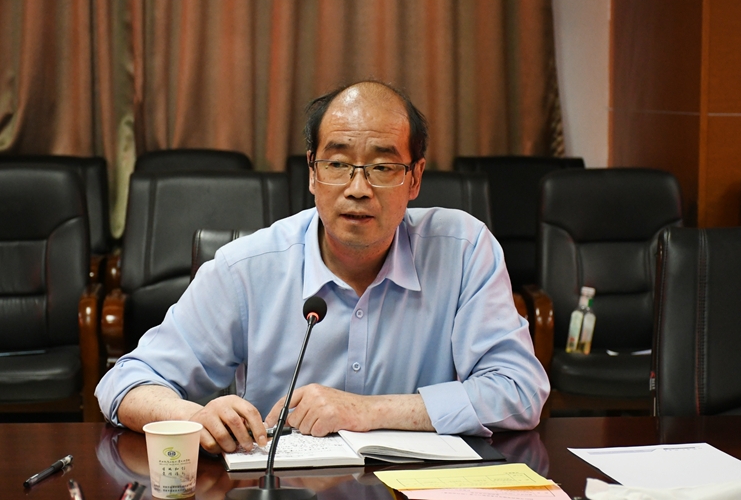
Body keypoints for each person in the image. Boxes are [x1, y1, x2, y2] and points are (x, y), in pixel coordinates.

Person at [96, 80, 550, 454]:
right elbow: (125, 383)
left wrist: (366, 411)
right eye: (337, 163)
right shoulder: (247, 269)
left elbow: (520, 391)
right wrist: (197, 417)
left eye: (383, 167)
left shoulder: (463, 250)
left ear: (414, 178)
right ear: (313, 173)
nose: (357, 188)